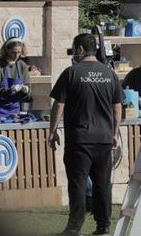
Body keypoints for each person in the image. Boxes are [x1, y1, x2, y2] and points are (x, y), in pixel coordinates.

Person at [48, 34, 122, 236]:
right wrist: (114, 133)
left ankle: (74, 227)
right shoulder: (110, 74)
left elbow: (59, 104)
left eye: (74, 49)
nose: (74, 53)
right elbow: (117, 108)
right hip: (104, 139)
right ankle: (103, 226)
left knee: (78, 184)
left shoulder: (71, 73)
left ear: (80, 49)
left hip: (80, 139)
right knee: (102, 184)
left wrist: (52, 131)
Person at [0, 38, 34, 118]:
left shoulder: (22, 66)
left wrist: (25, 90)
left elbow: (27, 87)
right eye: (13, 52)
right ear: (7, 50)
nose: (16, 56)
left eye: (18, 52)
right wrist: (9, 90)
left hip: (14, 110)